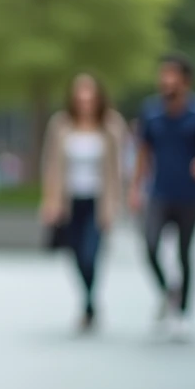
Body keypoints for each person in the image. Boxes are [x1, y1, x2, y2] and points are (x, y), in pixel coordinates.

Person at [128, 53, 195, 340]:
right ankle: (168, 292)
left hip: (190, 195)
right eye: (163, 75)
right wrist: (135, 188)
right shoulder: (151, 111)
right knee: (149, 245)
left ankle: (182, 313)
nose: (165, 80)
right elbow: (143, 154)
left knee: (185, 253)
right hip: (159, 193)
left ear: (185, 80)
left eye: (171, 75)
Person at [39, 74, 125, 332]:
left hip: (98, 201)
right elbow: (50, 164)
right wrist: (50, 201)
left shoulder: (111, 126)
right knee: (75, 253)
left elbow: (119, 169)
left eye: (90, 96)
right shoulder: (61, 124)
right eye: (80, 97)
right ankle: (88, 301)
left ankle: (90, 301)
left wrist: (115, 205)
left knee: (91, 254)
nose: (85, 101)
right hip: (69, 201)